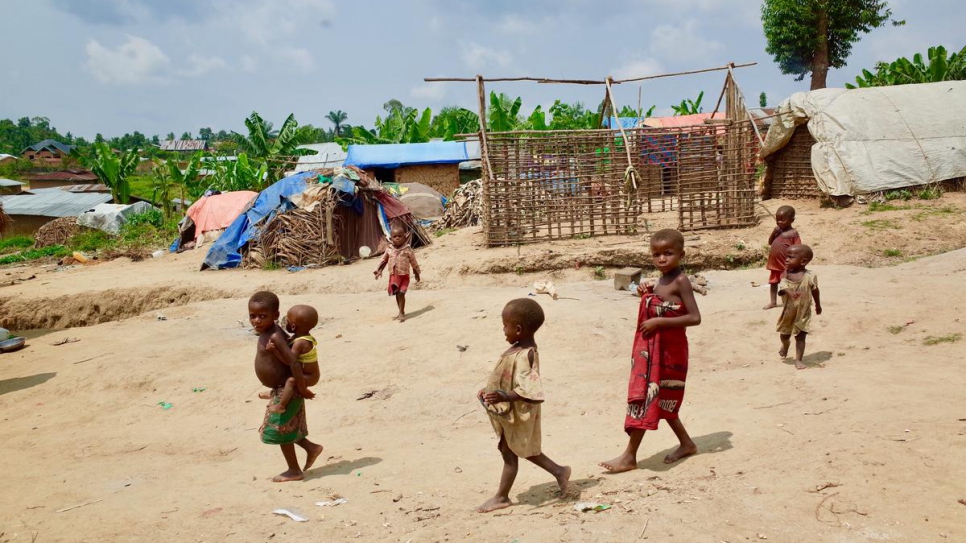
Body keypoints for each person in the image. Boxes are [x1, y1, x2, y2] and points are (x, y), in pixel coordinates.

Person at [600, 229, 702, 474]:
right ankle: (686, 444)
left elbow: (694, 317)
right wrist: (646, 295)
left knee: (652, 398)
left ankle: (629, 456)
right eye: (656, 254)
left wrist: (659, 322)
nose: (662, 259)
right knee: (661, 400)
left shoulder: (680, 281)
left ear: (681, 254)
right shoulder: (659, 280)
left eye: (668, 253)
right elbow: (659, 304)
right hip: (654, 352)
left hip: (671, 353)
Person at [476, 298, 571, 513]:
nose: (503, 330)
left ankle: (502, 497)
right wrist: (488, 391)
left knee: (512, 451)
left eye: (505, 325)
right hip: (510, 413)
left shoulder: (526, 355)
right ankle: (559, 471)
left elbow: (531, 391)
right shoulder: (517, 347)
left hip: (519, 413)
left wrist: (503, 396)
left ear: (518, 329)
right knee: (518, 449)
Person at [249, 291, 324, 482]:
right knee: (288, 426)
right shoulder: (270, 333)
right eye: (252, 316)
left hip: (288, 388)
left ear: (275, 316)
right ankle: (311, 448)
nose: (256, 321)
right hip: (281, 388)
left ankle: (294, 470)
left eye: (262, 316)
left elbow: (293, 364)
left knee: (281, 429)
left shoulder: (275, 336)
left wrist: (302, 387)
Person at [260, 304, 320, 415]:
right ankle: (275, 393)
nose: (285, 322)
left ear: (293, 326)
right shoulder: (300, 336)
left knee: (291, 381)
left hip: (310, 376)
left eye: (287, 320)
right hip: (306, 373)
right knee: (286, 379)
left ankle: (281, 405)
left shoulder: (300, 343)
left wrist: (275, 351)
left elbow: (290, 361)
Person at [776, 244, 822, 370]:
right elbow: (782, 286)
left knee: (801, 336)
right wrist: (790, 292)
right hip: (788, 312)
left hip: (803, 312)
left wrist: (818, 305)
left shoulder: (810, 276)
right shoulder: (786, 274)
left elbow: (815, 291)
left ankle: (799, 360)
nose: (786, 259)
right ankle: (785, 345)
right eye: (786, 257)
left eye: (790, 257)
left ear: (803, 261)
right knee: (784, 335)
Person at [374, 224, 421, 322]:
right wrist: (379, 270)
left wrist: (416, 272)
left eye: (400, 236)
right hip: (393, 276)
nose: (397, 238)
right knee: (397, 294)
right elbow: (384, 260)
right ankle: (400, 311)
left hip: (404, 276)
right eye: (395, 237)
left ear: (405, 237)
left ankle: (401, 312)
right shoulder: (389, 249)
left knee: (401, 293)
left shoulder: (407, 249)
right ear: (391, 238)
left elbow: (414, 262)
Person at [763, 206, 801, 310]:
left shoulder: (793, 233)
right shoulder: (778, 231)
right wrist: (774, 232)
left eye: (782, 220)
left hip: (786, 264)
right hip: (775, 263)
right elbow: (770, 242)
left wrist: (794, 261)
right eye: (777, 220)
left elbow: (798, 248)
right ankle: (773, 302)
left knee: (788, 283)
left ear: (792, 220)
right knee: (773, 282)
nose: (779, 222)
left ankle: (792, 301)